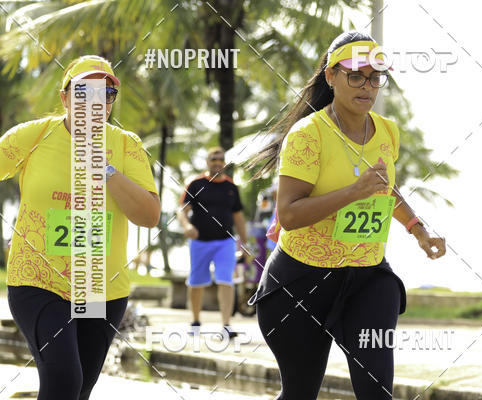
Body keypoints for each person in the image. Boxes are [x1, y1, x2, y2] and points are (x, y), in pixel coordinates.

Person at [248, 32, 447, 400]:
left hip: (368, 277)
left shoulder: (387, 132)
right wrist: (352, 193)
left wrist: (418, 228)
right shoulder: (307, 135)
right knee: (299, 394)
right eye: (355, 75)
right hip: (301, 282)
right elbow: (289, 214)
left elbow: (384, 189)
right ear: (331, 76)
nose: (366, 86)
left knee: (376, 392)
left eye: (375, 77)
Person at [0, 55, 160, 399]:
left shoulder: (126, 145)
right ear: (65, 97)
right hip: (38, 279)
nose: (96, 102)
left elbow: (149, 216)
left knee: (79, 389)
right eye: (84, 92)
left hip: (100, 286)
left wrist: (106, 169)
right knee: (64, 378)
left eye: (107, 94)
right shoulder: (33, 136)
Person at [177, 147, 248, 337]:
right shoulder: (196, 184)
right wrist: (187, 226)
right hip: (200, 242)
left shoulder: (231, 187)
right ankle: (195, 322)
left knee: (226, 280)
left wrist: (245, 243)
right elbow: (182, 210)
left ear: (225, 163)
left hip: (226, 242)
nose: (217, 162)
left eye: (221, 159)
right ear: (207, 162)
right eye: (213, 159)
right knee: (196, 282)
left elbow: (238, 217)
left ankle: (226, 326)